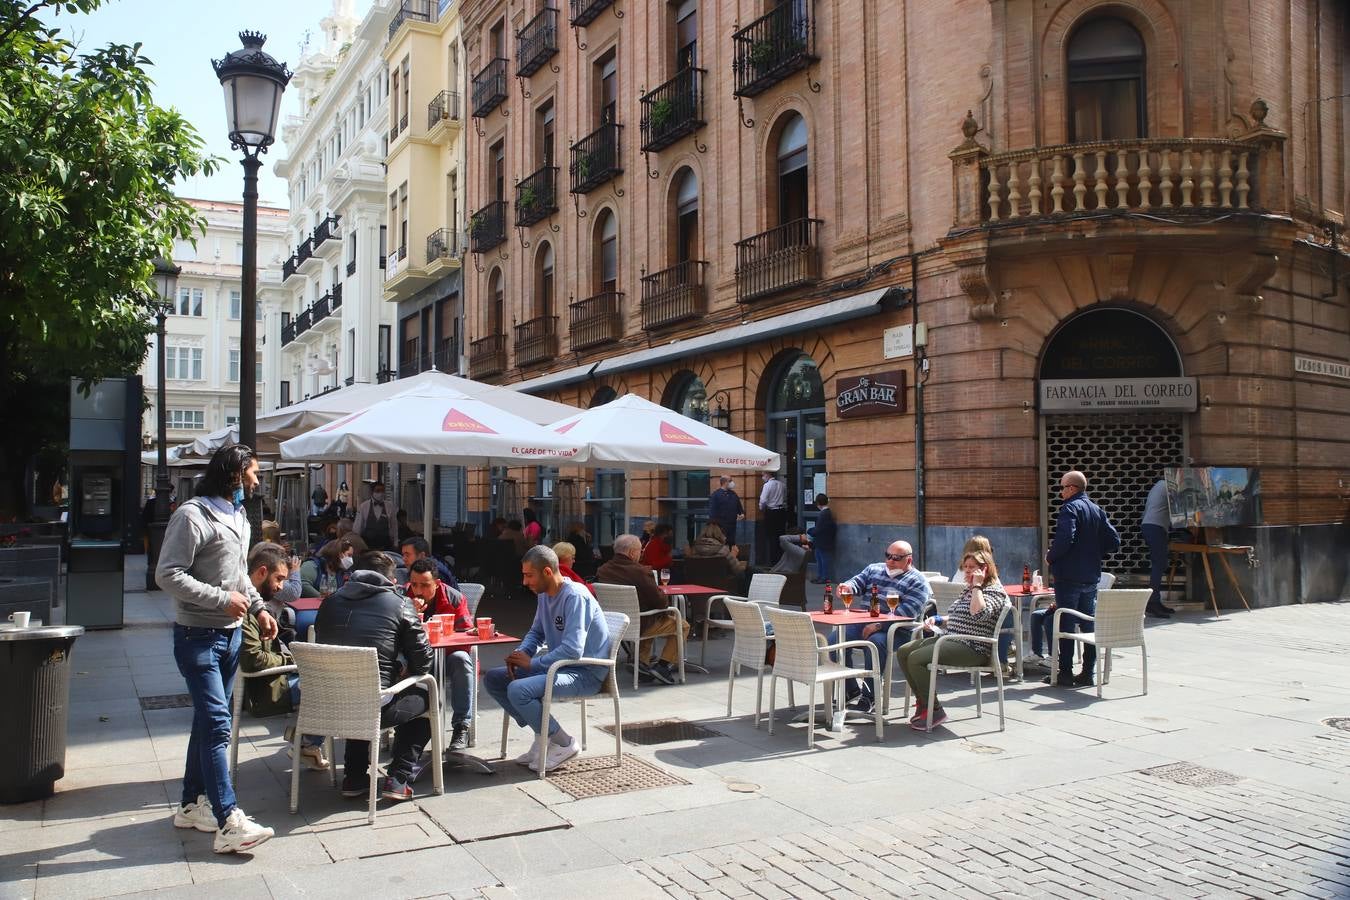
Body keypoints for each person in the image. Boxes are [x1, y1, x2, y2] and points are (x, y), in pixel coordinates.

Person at [157, 444, 277, 854]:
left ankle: (192, 804)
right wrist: (219, 600)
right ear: (235, 473)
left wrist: (258, 608)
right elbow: (167, 574)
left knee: (206, 724)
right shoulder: (192, 516)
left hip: (230, 635)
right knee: (218, 725)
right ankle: (229, 820)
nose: (257, 481)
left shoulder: (240, 517)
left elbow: (240, 575)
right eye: (253, 473)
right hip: (197, 636)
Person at [315, 551, 433, 801]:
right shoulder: (400, 603)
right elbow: (423, 662)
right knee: (427, 696)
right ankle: (398, 777)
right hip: (373, 707)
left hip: (326, 706)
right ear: (391, 580)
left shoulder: (330, 601)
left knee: (360, 689)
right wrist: (401, 665)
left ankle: (354, 775)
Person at [483, 546, 612, 772]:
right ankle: (544, 733)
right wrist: (521, 654)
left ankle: (563, 742)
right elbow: (536, 632)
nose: (524, 582)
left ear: (547, 572)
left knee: (517, 690)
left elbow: (573, 650)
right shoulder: (544, 595)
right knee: (494, 679)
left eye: (528, 575)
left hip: (585, 673)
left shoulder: (575, 596)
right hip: (559, 668)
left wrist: (532, 664)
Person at [238, 542, 328, 770]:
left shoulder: (255, 607)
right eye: (279, 579)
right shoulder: (247, 610)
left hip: (276, 680)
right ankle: (306, 741)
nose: (281, 587)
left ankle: (307, 739)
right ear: (261, 573)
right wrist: (292, 661)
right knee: (331, 686)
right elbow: (254, 660)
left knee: (327, 678)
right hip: (268, 690)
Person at [897, 550, 1010, 730]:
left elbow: (978, 613)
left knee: (916, 658)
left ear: (985, 569)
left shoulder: (994, 591)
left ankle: (934, 710)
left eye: (972, 568)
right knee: (904, 651)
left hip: (973, 647)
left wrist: (977, 587)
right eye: (965, 567)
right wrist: (939, 620)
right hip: (952, 640)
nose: (966, 571)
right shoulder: (969, 589)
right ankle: (925, 703)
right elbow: (958, 615)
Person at [1044, 470, 1121, 689]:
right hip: (1091, 576)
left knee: (1065, 624)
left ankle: (1066, 673)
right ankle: (1088, 673)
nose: (1061, 492)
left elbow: (1066, 537)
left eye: (1062, 487)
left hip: (1068, 576)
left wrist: (1051, 556)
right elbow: (1114, 540)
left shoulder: (1070, 508)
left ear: (1072, 488)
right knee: (1088, 625)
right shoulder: (1097, 510)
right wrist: (1093, 551)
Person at [836, 540, 932, 712]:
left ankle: (870, 696)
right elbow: (857, 582)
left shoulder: (918, 582)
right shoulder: (874, 569)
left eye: (896, 558)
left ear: (908, 561)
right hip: (865, 622)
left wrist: (880, 625)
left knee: (875, 642)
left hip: (898, 630)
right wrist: (848, 587)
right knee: (835, 640)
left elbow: (906, 613)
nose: (890, 561)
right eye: (888, 556)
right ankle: (850, 689)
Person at [597, 533, 689, 685]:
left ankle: (640, 662)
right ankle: (663, 667)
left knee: (649, 616)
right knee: (682, 625)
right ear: (632, 552)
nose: (641, 554)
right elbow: (661, 602)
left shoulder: (603, 570)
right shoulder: (640, 571)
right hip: (639, 624)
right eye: (640, 551)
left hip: (613, 625)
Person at [404, 558, 474, 751]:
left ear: (437, 583)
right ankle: (409, 727)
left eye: (425, 585)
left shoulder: (454, 598)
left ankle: (461, 726)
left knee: (462, 660)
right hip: (415, 656)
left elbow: (466, 637)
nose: (418, 591)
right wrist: (409, 613)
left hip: (447, 655)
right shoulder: (402, 598)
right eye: (415, 584)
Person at [1141, 478, 1176, 618]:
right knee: (1159, 564)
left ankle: (1155, 601)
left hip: (1151, 525)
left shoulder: (1159, 486)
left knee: (1159, 564)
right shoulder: (1169, 486)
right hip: (1155, 527)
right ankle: (1153, 603)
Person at [352, 482, 397, 551]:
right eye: (378, 491)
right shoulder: (364, 506)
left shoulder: (390, 506)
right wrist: (356, 544)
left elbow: (394, 526)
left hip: (385, 544)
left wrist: (395, 543)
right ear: (372, 492)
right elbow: (358, 526)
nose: (380, 493)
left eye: (382, 490)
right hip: (368, 544)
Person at [758, 471, 787, 564]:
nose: (762, 477)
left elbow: (763, 500)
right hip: (781, 512)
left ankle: (773, 561)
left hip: (771, 512)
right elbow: (785, 497)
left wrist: (761, 508)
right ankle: (781, 559)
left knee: (771, 537)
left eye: (763, 475)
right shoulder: (782, 484)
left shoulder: (767, 485)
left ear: (768, 474)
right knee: (781, 536)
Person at [708, 476, 745, 547]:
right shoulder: (716, 495)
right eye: (730, 481)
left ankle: (731, 557)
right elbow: (712, 511)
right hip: (720, 525)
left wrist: (741, 513)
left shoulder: (733, 494)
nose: (732, 483)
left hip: (732, 524)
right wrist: (714, 525)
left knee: (731, 543)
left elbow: (739, 506)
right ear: (725, 482)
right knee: (722, 544)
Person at [808, 494, 837, 583]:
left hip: (823, 542)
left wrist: (810, 531)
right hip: (822, 541)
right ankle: (820, 576)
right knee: (820, 560)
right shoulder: (826, 513)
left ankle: (823, 577)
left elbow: (819, 529)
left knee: (823, 561)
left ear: (818, 503)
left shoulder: (824, 514)